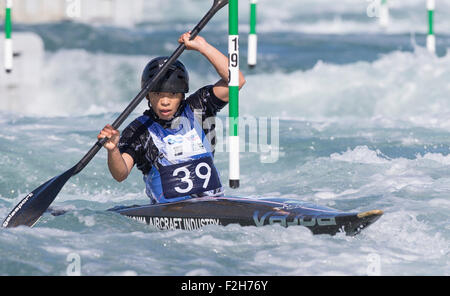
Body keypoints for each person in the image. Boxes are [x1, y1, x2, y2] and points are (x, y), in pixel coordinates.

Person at [97, 31, 245, 204]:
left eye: (173, 94)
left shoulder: (199, 108)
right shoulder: (139, 131)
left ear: (182, 95)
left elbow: (236, 81)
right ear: (147, 96)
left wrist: (203, 47)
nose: (165, 102)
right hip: (170, 216)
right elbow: (120, 174)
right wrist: (113, 150)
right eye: (158, 94)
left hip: (213, 204)